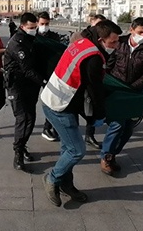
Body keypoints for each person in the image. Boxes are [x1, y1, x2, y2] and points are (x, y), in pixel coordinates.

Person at [40, 20, 122, 207]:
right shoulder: (93, 57)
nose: (115, 46)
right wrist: (98, 116)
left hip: (56, 98)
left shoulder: (84, 40)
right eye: (113, 43)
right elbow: (95, 90)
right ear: (101, 39)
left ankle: (66, 184)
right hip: (59, 105)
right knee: (77, 150)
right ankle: (52, 179)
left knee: (67, 148)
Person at [100, 17, 143, 175]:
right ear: (132, 30)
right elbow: (109, 62)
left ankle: (112, 153)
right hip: (116, 89)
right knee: (117, 124)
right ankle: (106, 156)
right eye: (140, 32)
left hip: (134, 92)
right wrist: (108, 81)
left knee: (128, 129)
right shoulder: (119, 43)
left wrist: (133, 87)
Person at [3, 12, 45, 172]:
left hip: (30, 86)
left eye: (36, 27)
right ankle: (18, 153)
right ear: (22, 26)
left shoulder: (32, 39)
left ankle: (22, 145)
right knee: (23, 118)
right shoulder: (17, 43)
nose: (34, 30)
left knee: (31, 119)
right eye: (31, 27)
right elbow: (27, 69)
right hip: (17, 85)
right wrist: (45, 83)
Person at [68, 13, 108, 149]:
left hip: (93, 78)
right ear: (92, 24)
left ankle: (89, 135)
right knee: (72, 109)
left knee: (91, 108)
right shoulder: (79, 36)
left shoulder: (104, 40)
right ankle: (58, 130)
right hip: (77, 80)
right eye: (97, 25)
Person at [36, 11, 62, 142]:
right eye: (42, 24)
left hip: (50, 73)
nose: (44, 26)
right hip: (35, 74)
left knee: (50, 102)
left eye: (46, 24)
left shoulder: (53, 37)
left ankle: (47, 127)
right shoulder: (33, 35)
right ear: (37, 23)